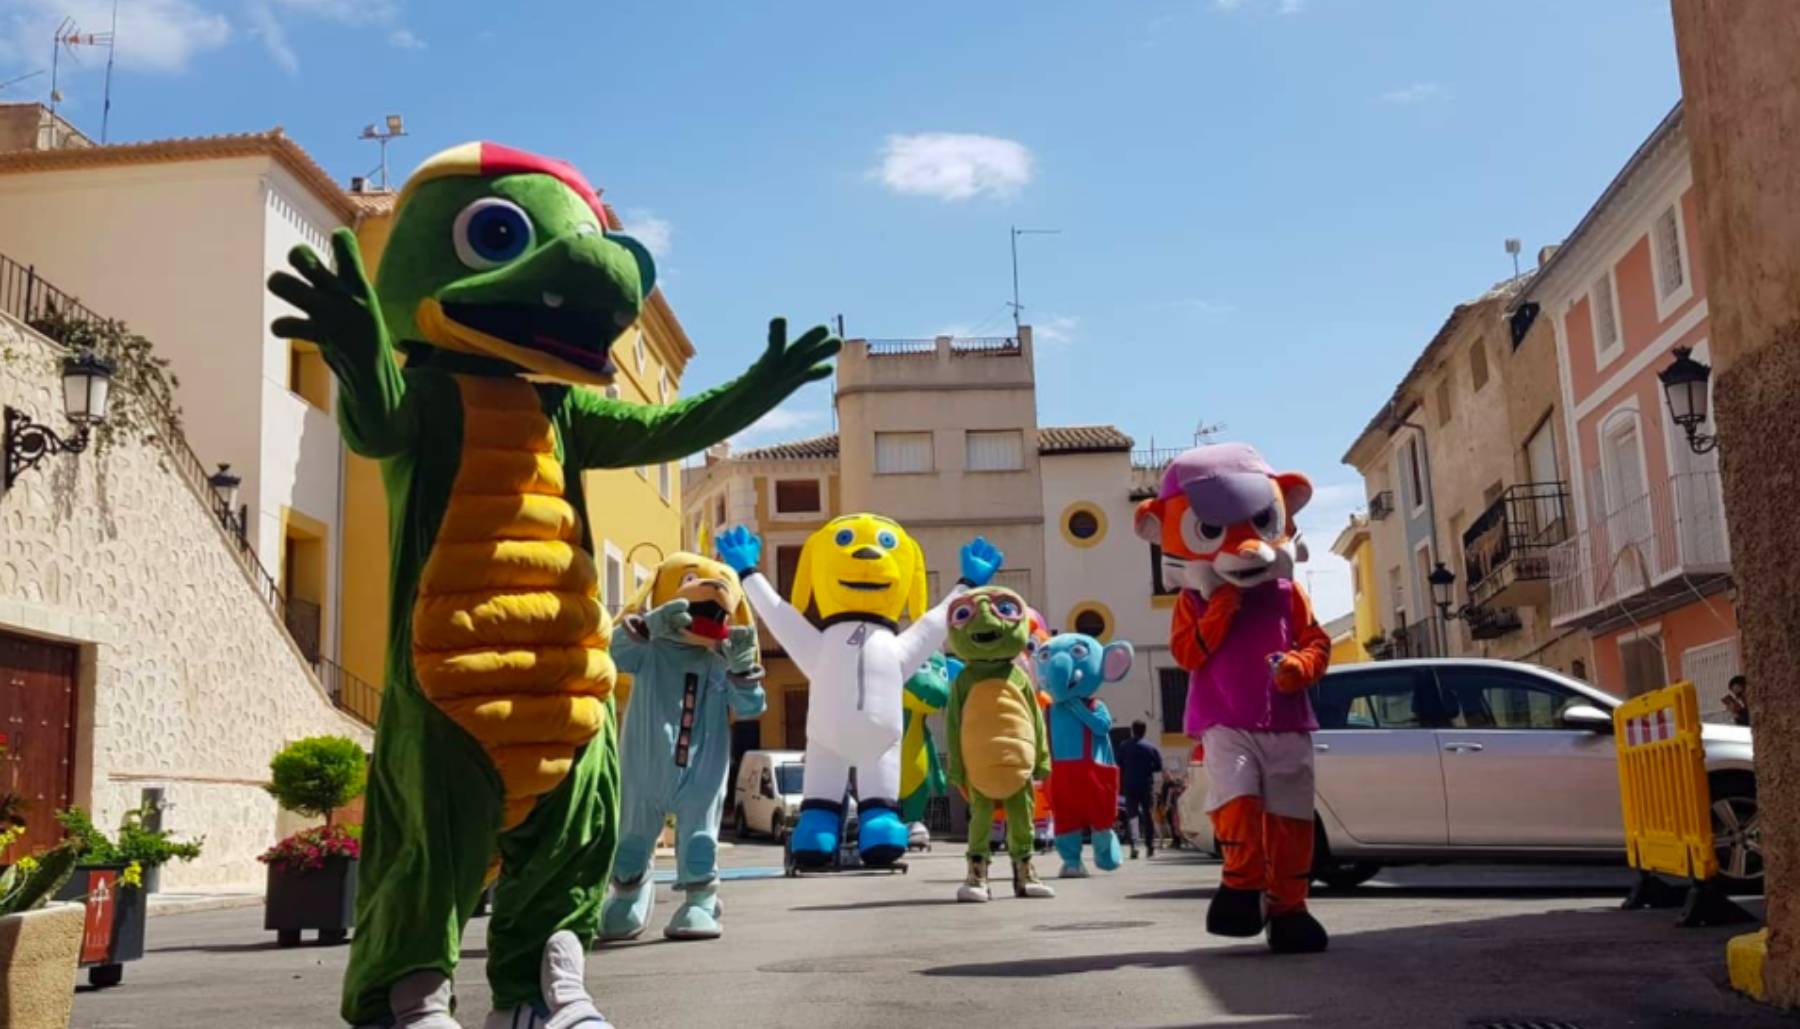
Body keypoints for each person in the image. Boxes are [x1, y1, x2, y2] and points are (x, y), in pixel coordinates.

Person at [1115, 720, 1163, 859]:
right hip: (1146, 785)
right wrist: (1147, 769)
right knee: (1148, 815)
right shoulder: (1150, 747)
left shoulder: (1124, 746)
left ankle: (1134, 845)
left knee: (1132, 815)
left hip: (1129, 785)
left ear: (1132, 730)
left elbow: (1119, 764)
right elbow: (1158, 766)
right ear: (1144, 731)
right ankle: (1150, 847)